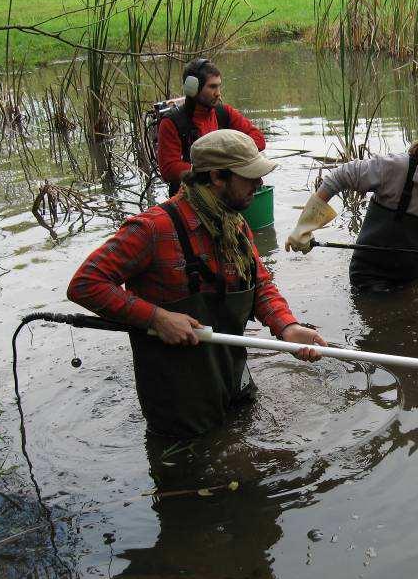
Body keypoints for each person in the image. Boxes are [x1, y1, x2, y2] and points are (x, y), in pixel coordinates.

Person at [68, 129, 325, 438]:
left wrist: (287, 327)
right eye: (250, 177)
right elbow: (85, 283)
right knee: (192, 469)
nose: (259, 185)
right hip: (179, 396)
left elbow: (259, 284)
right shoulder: (152, 228)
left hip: (233, 377)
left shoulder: (236, 223)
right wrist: (158, 318)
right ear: (217, 177)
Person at [285, 119, 418, 292]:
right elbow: (340, 176)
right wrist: (306, 225)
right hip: (369, 276)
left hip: (415, 276)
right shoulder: (396, 168)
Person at [157, 58, 266, 196]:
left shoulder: (224, 112)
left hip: (224, 195)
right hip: (189, 196)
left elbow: (258, 139)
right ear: (193, 89)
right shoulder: (172, 122)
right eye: (212, 87)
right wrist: (210, 171)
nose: (218, 93)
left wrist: (228, 157)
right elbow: (169, 169)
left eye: (219, 86)